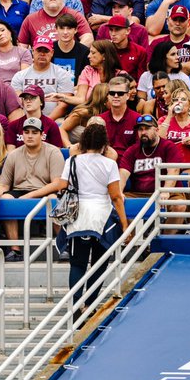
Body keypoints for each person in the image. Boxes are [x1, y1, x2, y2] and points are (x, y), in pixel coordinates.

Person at [57, 123, 129, 311]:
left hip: (77, 217)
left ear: (83, 141)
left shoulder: (71, 161)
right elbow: (116, 197)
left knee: (77, 264)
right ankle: (89, 304)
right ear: (104, 143)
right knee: (100, 264)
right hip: (102, 218)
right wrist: (125, 224)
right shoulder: (110, 164)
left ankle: (77, 304)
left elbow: (62, 188)